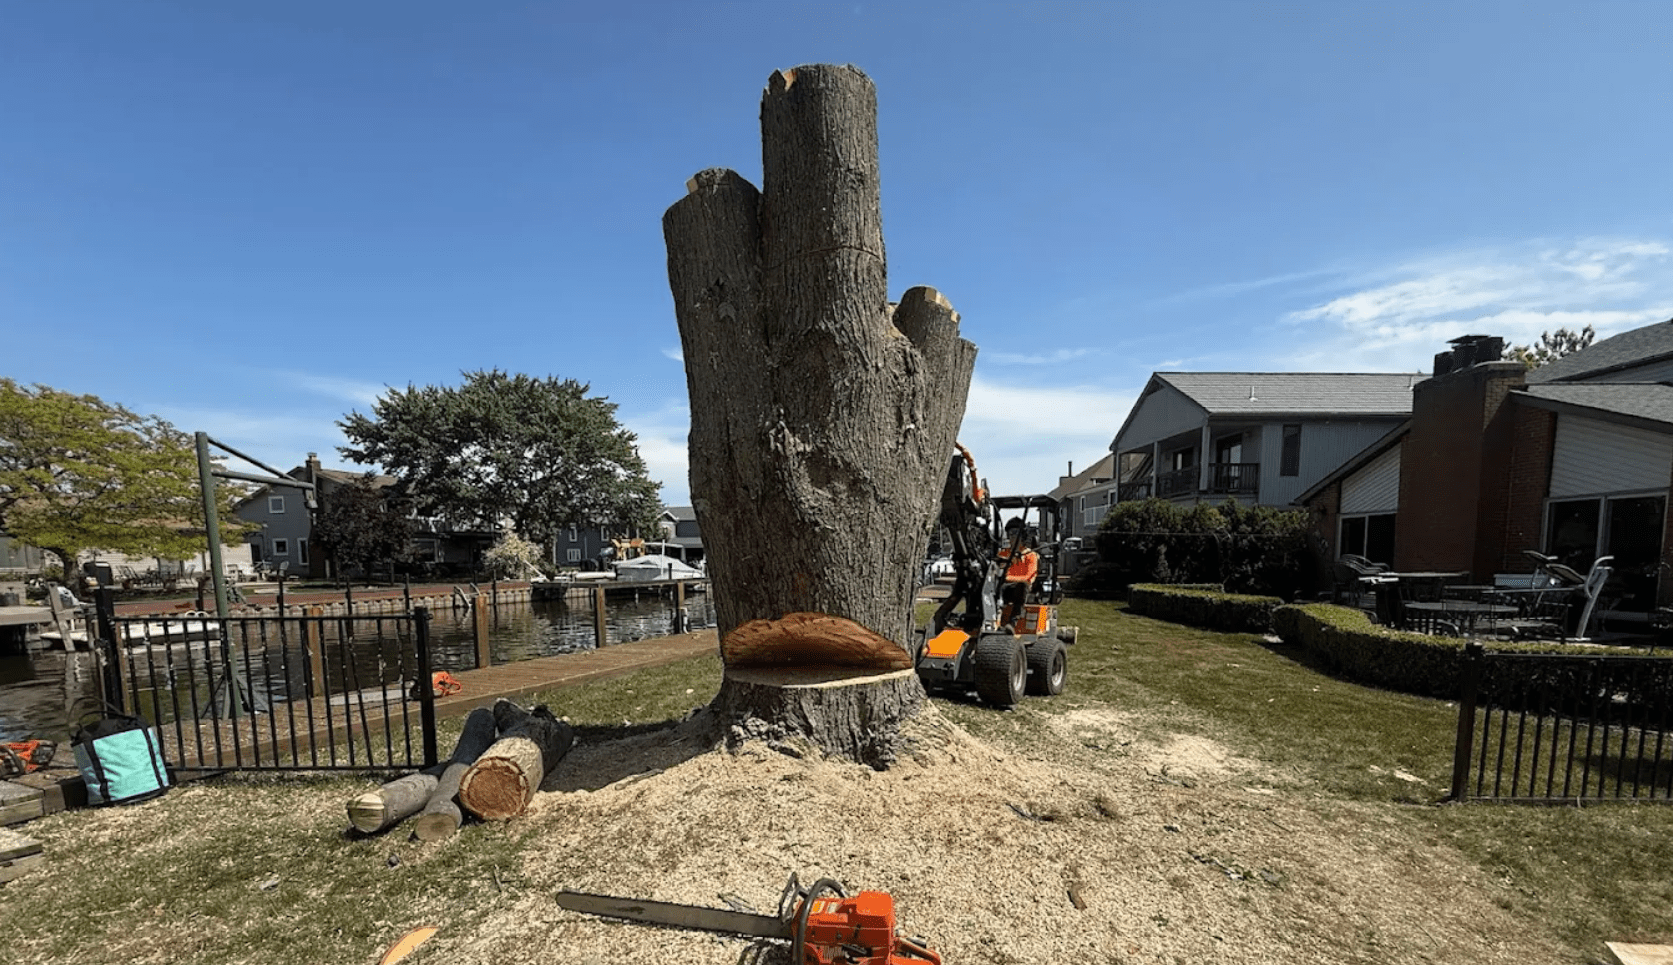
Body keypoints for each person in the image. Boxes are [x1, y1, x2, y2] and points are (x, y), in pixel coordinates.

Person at [997, 519, 1040, 628]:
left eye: (1015, 533)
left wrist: (1006, 577)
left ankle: (1013, 622)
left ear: (1023, 536)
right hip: (1002, 587)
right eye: (1010, 533)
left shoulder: (1031, 555)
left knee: (1022, 585)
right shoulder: (1003, 554)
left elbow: (1028, 577)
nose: (1012, 537)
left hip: (1018, 589)